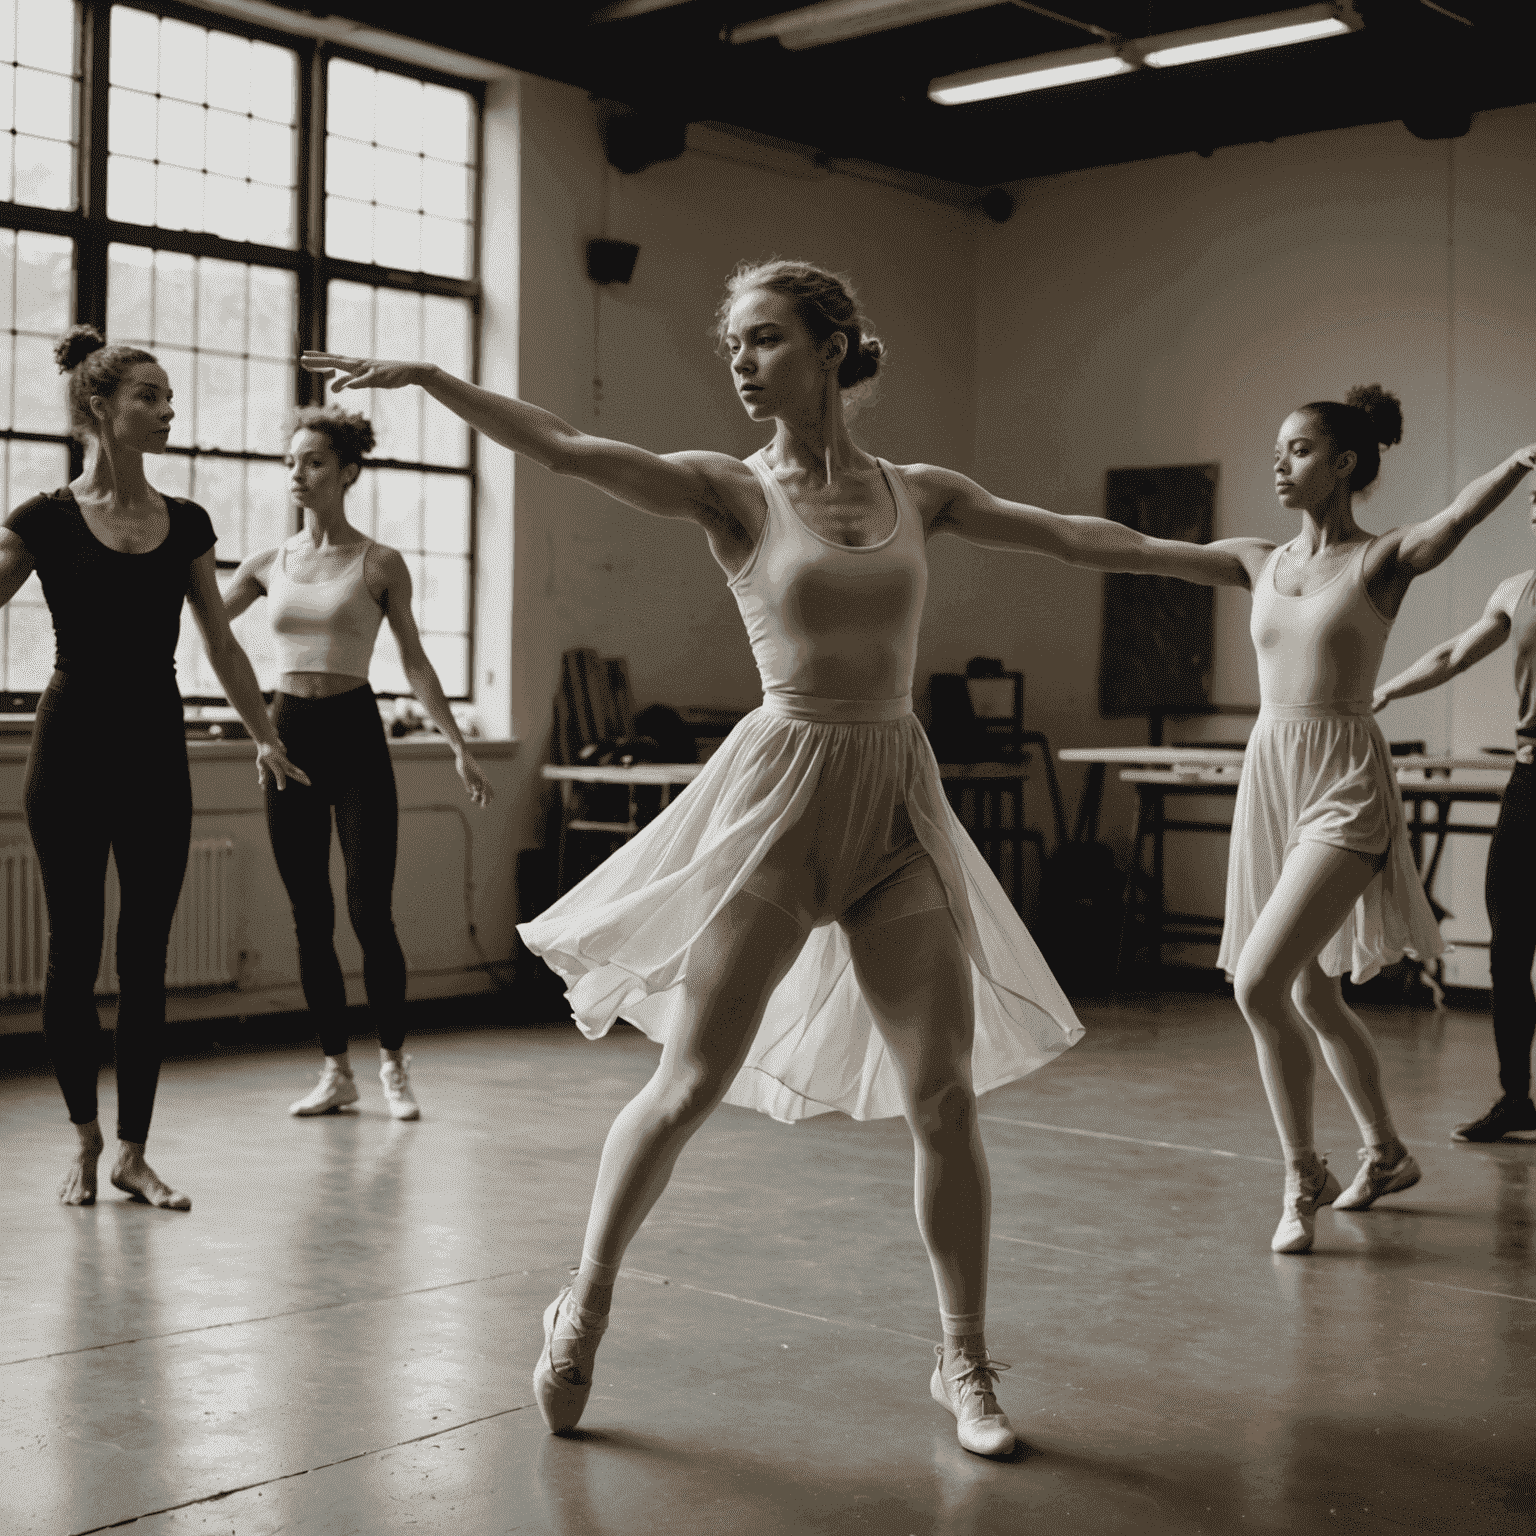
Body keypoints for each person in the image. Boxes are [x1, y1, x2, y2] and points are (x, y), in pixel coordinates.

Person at [302, 260, 1093, 1459]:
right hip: (780, 804)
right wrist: (433, 378)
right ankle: (585, 1301)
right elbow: (566, 446)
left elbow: (1075, 536)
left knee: (941, 1096)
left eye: (765, 338)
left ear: (832, 347)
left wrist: (1237, 564)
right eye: (734, 342)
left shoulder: (918, 492)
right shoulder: (730, 492)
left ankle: (963, 1360)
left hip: (894, 808)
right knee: (687, 1085)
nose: (740, 361)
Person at [1042, 388, 1532, 1253]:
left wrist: (1522, 463)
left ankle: (1301, 1169)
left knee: (1258, 983)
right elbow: (1138, 548)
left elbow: (1453, 520)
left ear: (1344, 464)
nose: (1279, 463)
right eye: (1279, 449)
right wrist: (1023, 528)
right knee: (1309, 989)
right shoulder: (1252, 560)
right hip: (1273, 780)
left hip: (1347, 780)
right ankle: (1383, 1152)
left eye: (1298, 450)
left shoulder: (1381, 560)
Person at [1, 325, 309, 1210]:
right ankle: (84, 1140)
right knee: (72, 953)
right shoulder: (44, 519)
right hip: (68, 748)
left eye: (171, 397)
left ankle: (134, 1151)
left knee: (145, 959)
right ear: (100, 407)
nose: (169, 410)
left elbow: (220, 642)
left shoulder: (188, 524)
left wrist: (262, 732)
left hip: (153, 750)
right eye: (151, 397)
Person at [224, 407, 491, 1122]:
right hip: (287, 736)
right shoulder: (264, 564)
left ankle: (394, 1066)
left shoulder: (379, 563)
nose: (297, 474)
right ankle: (335, 1070)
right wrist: (258, 729)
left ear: (347, 472)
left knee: (370, 913)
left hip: (354, 736)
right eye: (291, 463)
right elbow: (206, 632)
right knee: (309, 915)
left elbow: (414, 661)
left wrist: (458, 746)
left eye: (312, 462)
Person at [1373, 478, 1536, 1144]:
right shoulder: (1515, 589)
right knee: (1509, 945)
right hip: (1530, 782)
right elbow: (1453, 654)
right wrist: (1383, 690)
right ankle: (1515, 1097)